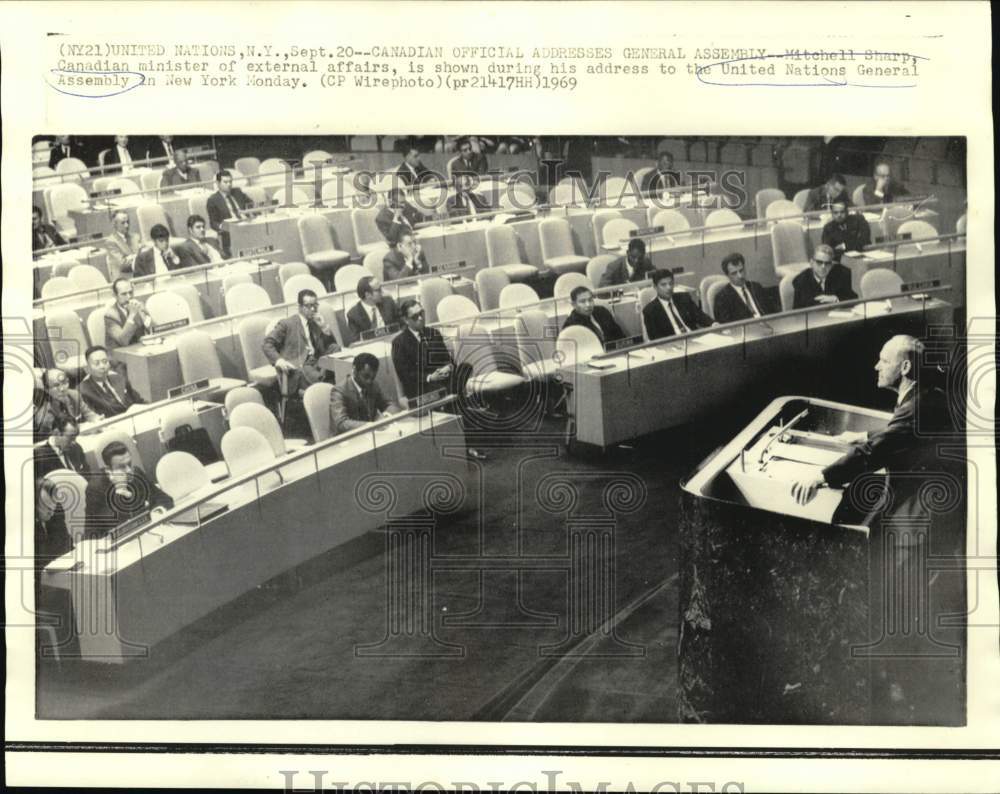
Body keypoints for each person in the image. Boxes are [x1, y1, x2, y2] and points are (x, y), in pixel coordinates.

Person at [84, 441, 173, 540]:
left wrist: (156, 512)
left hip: (146, 535)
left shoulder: (136, 473)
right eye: (122, 467)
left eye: (129, 464)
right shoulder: (96, 489)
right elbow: (119, 527)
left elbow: (164, 498)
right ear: (109, 470)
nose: (129, 470)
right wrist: (121, 492)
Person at [262, 289, 340, 395]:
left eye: (315, 305)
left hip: (318, 363)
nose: (313, 309)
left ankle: (329, 380)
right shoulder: (287, 324)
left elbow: (331, 347)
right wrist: (279, 360)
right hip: (300, 367)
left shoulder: (316, 321)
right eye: (308, 306)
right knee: (317, 374)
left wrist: (324, 327)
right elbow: (267, 344)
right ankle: (329, 384)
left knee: (335, 348)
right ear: (299, 307)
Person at [330, 352, 397, 433]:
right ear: (354, 371)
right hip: (349, 438)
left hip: (371, 435)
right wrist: (370, 426)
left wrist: (386, 416)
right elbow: (341, 423)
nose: (369, 381)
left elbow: (390, 404)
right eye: (366, 376)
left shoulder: (374, 385)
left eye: (373, 377)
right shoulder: (339, 391)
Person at [642, 269, 714, 341]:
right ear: (655, 287)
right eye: (663, 285)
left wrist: (713, 324)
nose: (669, 287)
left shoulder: (684, 298)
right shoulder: (650, 311)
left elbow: (700, 316)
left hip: (694, 338)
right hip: (673, 345)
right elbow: (656, 339)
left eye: (671, 283)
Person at [79, 345, 145, 418]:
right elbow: (92, 417)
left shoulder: (118, 378)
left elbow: (139, 401)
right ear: (88, 368)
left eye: (105, 361)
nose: (102, 366)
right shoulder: (84, 391)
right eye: (96, 363)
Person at [33, 368, 101, 438]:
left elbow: (89, 414)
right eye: (56, 385)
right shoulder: (45, 412)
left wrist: (97, 419)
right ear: (47, 389)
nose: (62, 389)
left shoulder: (74, 395)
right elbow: (57, 437)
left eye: (64, 383)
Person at [712, 252, 777, 323]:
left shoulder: (756, 287)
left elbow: (773, 312)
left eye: (741, 270)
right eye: (734, 273)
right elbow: (727, 326)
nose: (740, 276)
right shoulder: (722, 298)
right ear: (727, 275)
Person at [791, 244, 858, 308]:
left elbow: (853, 299)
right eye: (819, 262)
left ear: (832, 264)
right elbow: (798, 311)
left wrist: (836, 299)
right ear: (812, 263)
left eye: (827, 263)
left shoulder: (842, 274)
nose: (823, 266)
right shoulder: (801, 281)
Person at [206, 170, 253, 256]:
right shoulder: (213, 200)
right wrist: (224, 226)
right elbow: (213, 223)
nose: (229, 184)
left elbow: (251, 204)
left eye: (230, 182)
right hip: (231, 230)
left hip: (247, 224)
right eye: (225, 182)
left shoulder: (237, 192)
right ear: (218, 183)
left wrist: (252, 215)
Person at [562, 286, 626, 345]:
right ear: (574, 305)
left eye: (590, 300)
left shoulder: (602, 311)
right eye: (582, 302)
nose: (588, 305)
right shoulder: (571, 325)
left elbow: (619, 335)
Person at [346, 276, 400, 344]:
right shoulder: (353, 315)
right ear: (368, 295)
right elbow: (356, 340)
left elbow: (401, 324)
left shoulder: (388, 302)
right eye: (378, 290)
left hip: (394, 342)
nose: (383, 292)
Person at [104, 277, 152, 352]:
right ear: (115, 295)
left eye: (130, 292)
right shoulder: (110, 315)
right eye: (124, 294)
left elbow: (155, 330)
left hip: (139, 350)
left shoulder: (139, 306)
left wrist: (143, 315)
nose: (129, 297)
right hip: (120, 356)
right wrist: (132, 315)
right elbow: (123, 341)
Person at [103, 210, 141, 279]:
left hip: (140, 275)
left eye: (128, 222)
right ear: (115, 224)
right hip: (124, 279)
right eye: (123, 223)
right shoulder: (110, 242)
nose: (127, 225)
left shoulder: (135, 237)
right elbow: (123, 265)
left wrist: (130, 258)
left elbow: (146, 255)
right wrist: (138, 257)